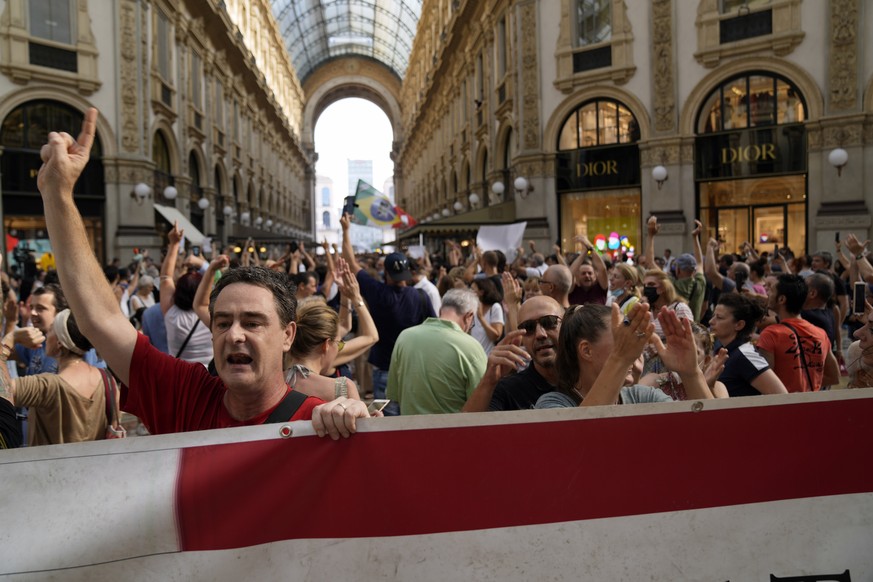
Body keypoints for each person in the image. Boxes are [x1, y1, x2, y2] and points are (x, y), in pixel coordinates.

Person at [35, 108, 365, 439]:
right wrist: (58, 193)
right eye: (222, 323)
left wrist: (360, 426)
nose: (234, 335)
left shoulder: (318, 425)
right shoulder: (184, 395)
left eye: (252, 322)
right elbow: (100, 319)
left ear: (288, 335)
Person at [340, 213, 434, 413]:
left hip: (384, 369)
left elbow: (351, 261)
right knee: (413, 419)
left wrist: (346, 231)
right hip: (414, 368)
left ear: (387, 274)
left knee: (388, 421)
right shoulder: (421, 296)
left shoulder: (377, 292)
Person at [536, 303, 712, 409]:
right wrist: (620, 358)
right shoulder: (553, 404)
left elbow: (712, 430)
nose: (634, 351)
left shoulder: (642, 397)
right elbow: (581, 437)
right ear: (587, 351)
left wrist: (691, 373)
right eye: (621, 339)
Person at [0, 309, 114, 445]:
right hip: (96, 464)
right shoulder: (107, 380)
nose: (46, 335)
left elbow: (3, 391)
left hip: (49, 465)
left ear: (59, 342)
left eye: (51, 331)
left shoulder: (45, 386)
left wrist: (8, 342)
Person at [387, 289, 487, 414]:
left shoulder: (404, 337)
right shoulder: (471, 346)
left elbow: (393, 394)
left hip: (410, 429)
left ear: (441, 310)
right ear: (469, 316)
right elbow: (483, 400)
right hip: (453, 431)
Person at [462, 296, 563, 412]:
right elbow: (467, 427)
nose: (540, 334)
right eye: (528, 328)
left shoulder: (585, 377)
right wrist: (488, 381)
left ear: (565, 324)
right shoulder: (508, 390)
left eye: (549, 322)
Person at [756, 274, 839, 392]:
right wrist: (806, 385)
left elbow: (764, 383)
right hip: (812, 403)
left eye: (772, 291)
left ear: (781, 299)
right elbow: (834, 377)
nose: (768, 294)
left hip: (784, 405)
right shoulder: (820, 334)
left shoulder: (771, 334)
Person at [710, 293, 787, 397]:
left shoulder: (746, 355)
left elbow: (781, 395)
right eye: (713, 316)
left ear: (739, 325)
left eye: (719, 318)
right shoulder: (722, 350)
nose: (711, 321)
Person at [284, 300, 362, 401]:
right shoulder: (343, 388)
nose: (338, 349)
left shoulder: (270, 384)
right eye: (339, 344)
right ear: (327, 345)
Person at [160, 222, 214, 366]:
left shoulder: (171, 313)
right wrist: (205, 265)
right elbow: (224, 284)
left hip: (179, 377)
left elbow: (166, 277)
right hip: (208, 378)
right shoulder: (211, 317)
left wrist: (174, 244)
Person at [640, 323, 729, 400]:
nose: (685, 357)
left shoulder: (717, 388)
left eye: (693, 352)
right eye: (680, 349)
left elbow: (722, 418)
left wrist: (708, 387)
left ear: (706, 360)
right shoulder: (654, 381)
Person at [470, 277, 504, 355]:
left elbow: (495, 336)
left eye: (472, 289)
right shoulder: (473, 307)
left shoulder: (495, 307)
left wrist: (481, 318)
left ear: (481, 292)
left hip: (488, 357)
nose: (469, 292)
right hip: (474, 356)